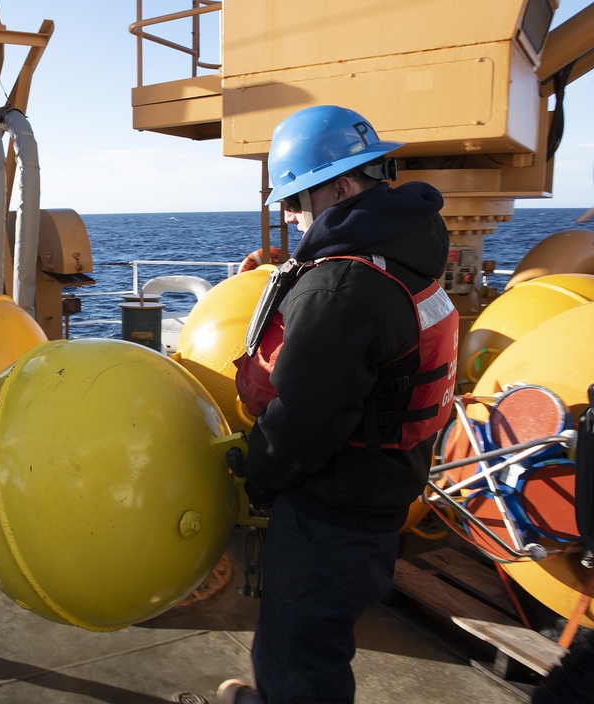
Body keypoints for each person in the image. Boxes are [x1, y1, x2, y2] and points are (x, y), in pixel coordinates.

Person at [221, 105, 459, 704]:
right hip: (381, 502)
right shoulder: (406, 256)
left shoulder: (343, 287)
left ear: (344, 185)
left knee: (298, 656)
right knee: (318, 645)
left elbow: (301, 426)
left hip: (329, 515)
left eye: (297, 201)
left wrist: (256, 478)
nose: (293, 218)